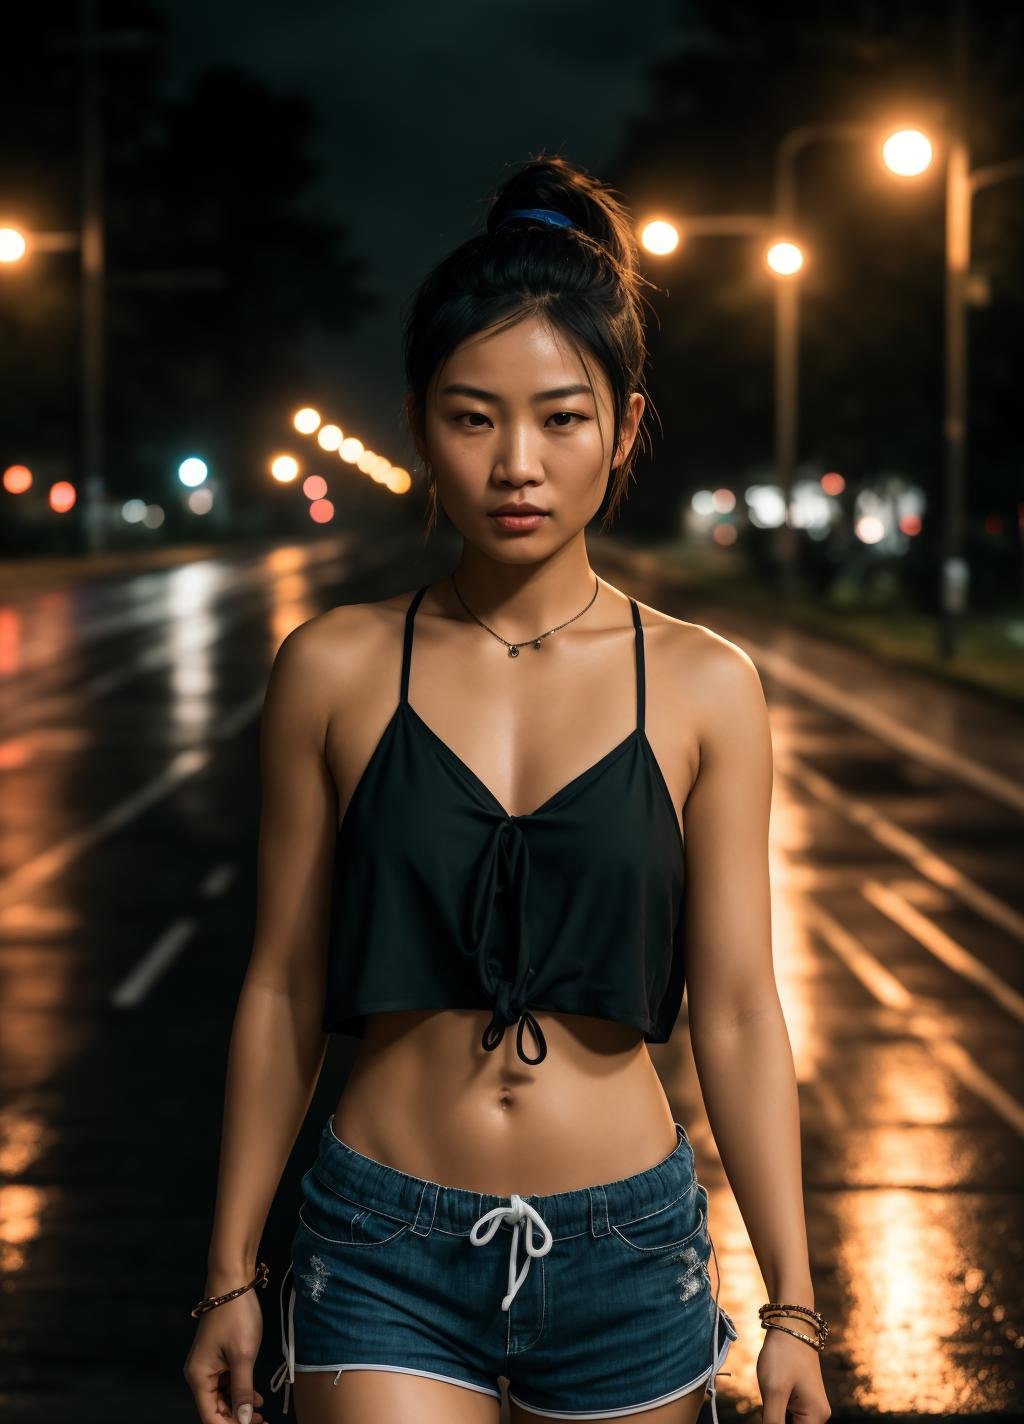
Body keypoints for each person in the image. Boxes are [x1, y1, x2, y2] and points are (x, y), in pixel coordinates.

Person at [183, 152, 832, 1424]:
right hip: (379, 1236)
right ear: (421, 424)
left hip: (629, 1248)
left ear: (623, 427)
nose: (517, 462)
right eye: (473, 415)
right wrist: (226, 1274)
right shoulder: (333, 666)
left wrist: (793, 1308)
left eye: (561, 415)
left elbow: (743, 1010)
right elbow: (281, 982)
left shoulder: (705, 685)